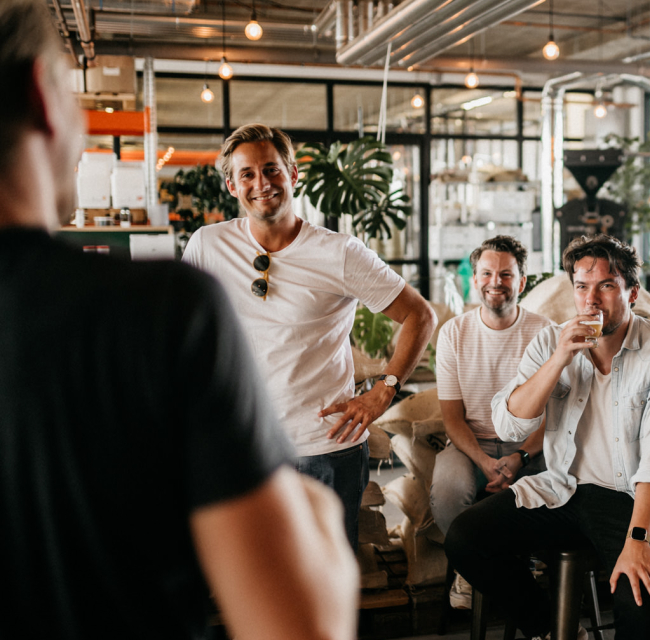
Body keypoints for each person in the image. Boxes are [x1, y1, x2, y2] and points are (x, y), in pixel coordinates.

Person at [0, 1, 359, 638]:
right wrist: (313, 519)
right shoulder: (160, 310)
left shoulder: (324, 254)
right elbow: (295, 624)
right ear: (43, 99)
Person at [184, 123, 437, 549]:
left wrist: (384, 390)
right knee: (254, 574)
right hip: (242, 446)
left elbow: (420, 315)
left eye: (271, 169)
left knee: (328, 577)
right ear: (232, 185)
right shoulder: (208, 245)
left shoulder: (339, 252)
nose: (262, 183)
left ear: (292, 174)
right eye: (247, 174)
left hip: (323, 448)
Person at [445, 234, 650, 640]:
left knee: (637, 604)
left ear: (632, 293)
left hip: (633, 501)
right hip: (563, 490)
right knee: (465, 538)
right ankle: (552, 630)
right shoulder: (551, 341)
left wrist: (638, 540)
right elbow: (510, 426)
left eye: (606, 285)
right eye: (581, 287)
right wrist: (560, 358)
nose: (591, 300)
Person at [432, 235, 552, 608]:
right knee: (447, 492)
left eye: (505, 274)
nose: (495, 282)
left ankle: (524, 567)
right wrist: (485, 462)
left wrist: (521, 457)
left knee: (564, 485)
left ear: (522, 281)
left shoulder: (546, 333)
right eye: (486, 273)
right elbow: (452, 419)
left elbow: (555, 415)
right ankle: (471, 568)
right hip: (472, 444)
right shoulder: (453, 333)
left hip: (532, 445)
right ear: (474, 279)